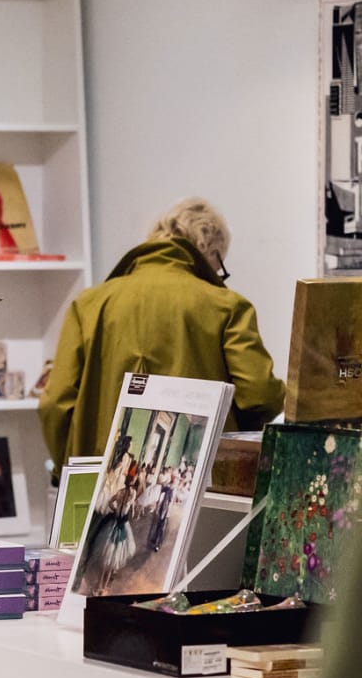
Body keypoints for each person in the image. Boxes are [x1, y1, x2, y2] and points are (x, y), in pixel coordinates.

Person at [38, 197, 285, 480]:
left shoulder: (89, 305)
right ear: (208, 250)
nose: (218, 274)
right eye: (220, 265)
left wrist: (66, 471)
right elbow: (260, 395)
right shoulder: (227, 306)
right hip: (199, 488)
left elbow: (54, 404)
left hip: (96, 482)